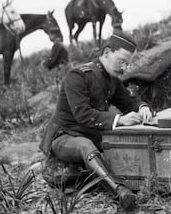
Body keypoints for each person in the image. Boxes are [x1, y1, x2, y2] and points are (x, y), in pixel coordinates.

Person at [39, 31, 153, 210]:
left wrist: (142, 107)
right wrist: (120, 120)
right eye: (121, 61)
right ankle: (120, 192)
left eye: (127, 64)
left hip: (92, 135)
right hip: (65, 136)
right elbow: (82, 114)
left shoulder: (112, 80)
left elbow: (128, 101)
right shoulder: (78, 76)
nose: (124, 68)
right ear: (107, 53)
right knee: (85, 145)